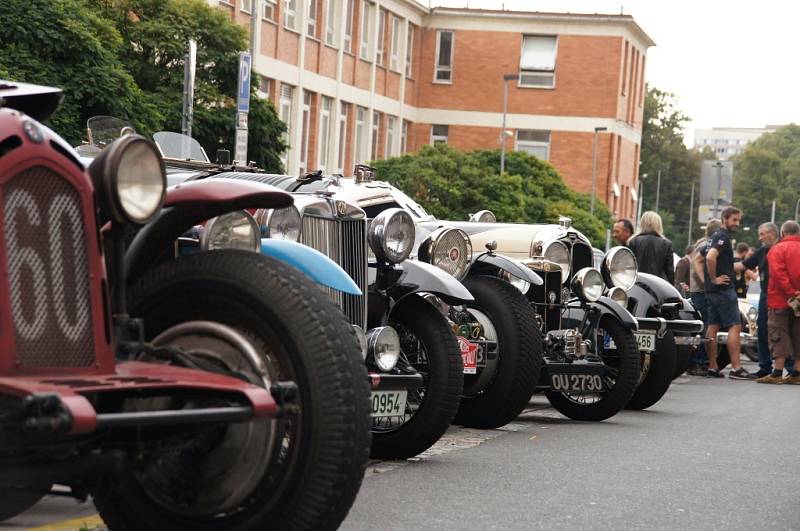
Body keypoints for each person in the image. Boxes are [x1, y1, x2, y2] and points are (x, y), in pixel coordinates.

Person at [734, 222, 795, 378]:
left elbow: (783, 273)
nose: (759, 238)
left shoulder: (781, 248)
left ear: (772, 233)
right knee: (762, 330)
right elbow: (743, 265)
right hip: (766, 293)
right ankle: (765, 366)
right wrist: (721, 264)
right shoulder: (762, 251)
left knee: (785, 330)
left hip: (782, 294)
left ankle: (788, 367)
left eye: (762, 234)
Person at [702, 206, 755, 379]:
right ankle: (736, 368)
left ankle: (712, 366)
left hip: (712, 291)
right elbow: (710, 257)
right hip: (723, 289)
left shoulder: (713, 236)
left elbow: (700, 257)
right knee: (735, 325)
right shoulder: (723, 236)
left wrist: (710, 281)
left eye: (738, 220)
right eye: (734, 220)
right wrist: (714, 278)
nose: (737, 223)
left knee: (713, 327)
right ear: (724, 219)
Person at [756, 220, 800, 384]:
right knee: (798, 334)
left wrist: (791, 293)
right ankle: (797, 372)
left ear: (782, 233)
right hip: (799, 300)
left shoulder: (777, 249)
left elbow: (778, 274)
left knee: (778, 333)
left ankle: (777, 372)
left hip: (780, 299)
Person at [686, 219, 721, 376]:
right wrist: (709, 283)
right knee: (705, 327)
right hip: (702, 291)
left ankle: (701, 362)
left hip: (698, 290)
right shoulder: (707, 245)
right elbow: (697, 267)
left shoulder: (701, 243)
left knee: (703, 327)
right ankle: (700, 363)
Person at [627, 211, 675, 285]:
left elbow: (629, 266)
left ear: (642, 223)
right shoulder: (666, 244)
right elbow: (669, 271)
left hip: (637, 283)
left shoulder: (633, 241)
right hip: (659, 285)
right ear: (659, 224)